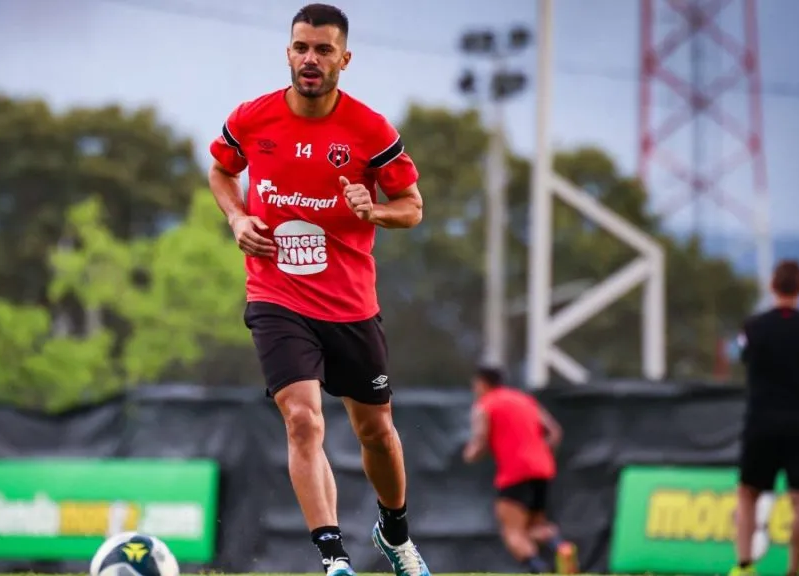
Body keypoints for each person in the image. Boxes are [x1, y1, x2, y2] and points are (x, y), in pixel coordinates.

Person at [205, 4, 428, 576]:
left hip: (351, 306)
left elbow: (412, 207)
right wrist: (236, 216)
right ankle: (334, 559)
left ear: (344, 59)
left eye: (323, 50)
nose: (311, 59)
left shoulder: (370, 131)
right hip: (276, 296)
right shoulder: (252, 118)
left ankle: (394, 533)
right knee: (303, 419)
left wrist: (373, 210)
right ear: (288, 52)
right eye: (302, 47)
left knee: (376, 432)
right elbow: (222, 170)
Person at [729, 259, 799, 576]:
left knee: (748, 494)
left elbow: (741, 356)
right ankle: (794, 570)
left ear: (772, 285)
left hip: (761, 422)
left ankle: (745, 567)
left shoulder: (754, 327)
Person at [463, 366, 578, 574]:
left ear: (482, 383)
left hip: (514, 472)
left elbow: (480, 441)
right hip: (542, 469)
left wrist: (469, 455)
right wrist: (540, 453)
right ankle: (561, 547)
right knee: (535, 527)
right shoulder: (524, 399)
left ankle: (539, 570)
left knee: (512, 532)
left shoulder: (486, 404)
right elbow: (555, 432)